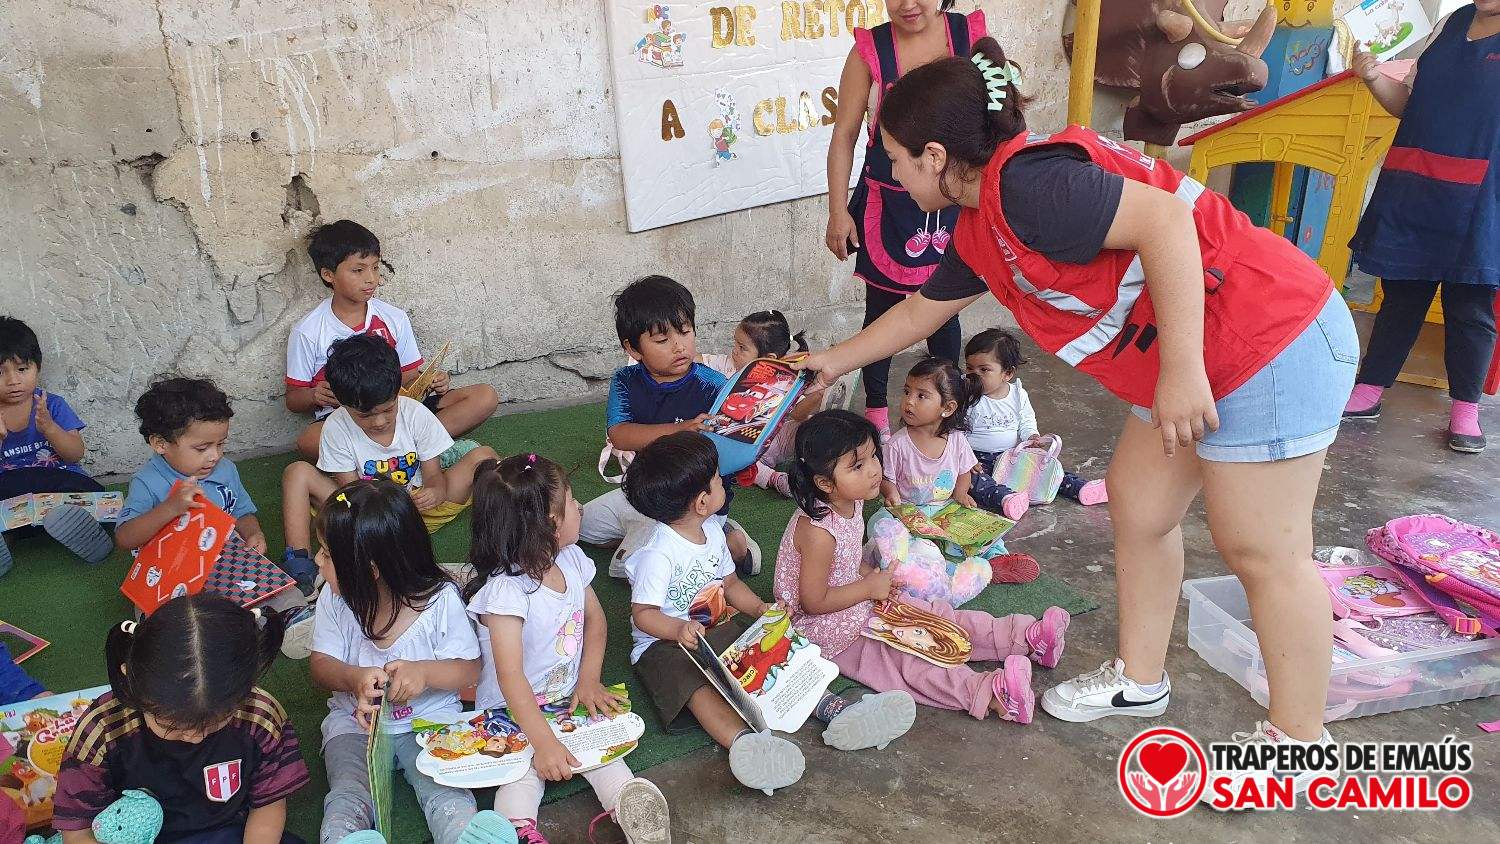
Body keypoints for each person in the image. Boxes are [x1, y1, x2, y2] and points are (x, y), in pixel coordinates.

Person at [797, 36, 1359, 787]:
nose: (890, 171)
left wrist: (1183, 372)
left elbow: (1165, 223)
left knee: (1261, 549)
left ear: (934, 156)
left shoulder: (1027, 185)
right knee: (1139, 505)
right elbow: (914, 318)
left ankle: (1299, 742)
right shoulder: (978, 224)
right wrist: (826, 362)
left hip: (1270, 336)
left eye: (894, 157)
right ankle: (1140, 678)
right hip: (1197, 352)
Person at [621, 432, 893, 795]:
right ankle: (746, 746)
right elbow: (644, 615)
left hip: (716, 626)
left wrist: (759, 608)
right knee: (696, 686)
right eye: (719, 480)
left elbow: (730, 584)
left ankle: (836, 710)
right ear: (703, 501)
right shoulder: (659, 554)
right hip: (664, 646)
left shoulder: (713, 531)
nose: (723, 483)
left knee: (773, 654)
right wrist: (676, 629)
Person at [776, 409, 1068, 726]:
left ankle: (1026, 637)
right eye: (858, 466)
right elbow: (813, 602)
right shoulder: (817, 532)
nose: (875, 470)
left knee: (936, 617)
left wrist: (870, 578)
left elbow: (846, 561)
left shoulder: (853, 499)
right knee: (909, 659)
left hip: (858, 599)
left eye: (874, 457)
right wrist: (868, 587)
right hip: (828, 632)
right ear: (824, 483)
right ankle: (992, 694)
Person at [463, 454, 672, 844]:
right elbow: (510, 679)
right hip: (512, 710)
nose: (579, 507)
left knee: (604, 756)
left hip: (564, 699)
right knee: (521, 771)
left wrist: (589, 679)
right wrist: (543, 742)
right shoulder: (507, 593)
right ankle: (516, 830)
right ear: (551, 523)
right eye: (572, 502)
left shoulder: (573, 559)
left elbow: (596, 620)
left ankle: (634, 810)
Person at [307, 479, 514, 844]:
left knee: (446, 793)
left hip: (428, 720)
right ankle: (344, 838)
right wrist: (353, 678)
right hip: (356, 727)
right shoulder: (334, 599)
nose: (317, 561)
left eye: (325, 554)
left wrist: (424, 673)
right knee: (348, 793)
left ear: (368, 569)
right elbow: (320, 664)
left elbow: (469, 668)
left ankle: (464, 837)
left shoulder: (439, 600)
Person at [1342, 1, 1500, 454]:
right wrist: (1373, 78)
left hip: (1482, 195)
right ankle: (1370, 389)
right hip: (1416, 183)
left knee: (1470, 305)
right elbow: (1408, 108)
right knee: (1401, 296)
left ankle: (1465, 410)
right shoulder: (1450, 24)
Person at [826, 0, 987, 439]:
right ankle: (876, 411)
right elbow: (844, 135)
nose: (908, 4)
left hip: (954, 199)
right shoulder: (869, 52)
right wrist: (837, 210)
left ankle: (947, 414)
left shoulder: (970, 39)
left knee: (944, 309)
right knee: (881, 310)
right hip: (888, 204)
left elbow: (996, 123)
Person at [52, 594, 310, 842]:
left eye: (213, 724)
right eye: (170, 726)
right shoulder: (104, 727)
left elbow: (268, 807)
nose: (194, 737)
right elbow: (78, 831)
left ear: (242, 690)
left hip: (230, 831)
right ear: (130, 678)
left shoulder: (258, 715)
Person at [280, 334, 498, 593]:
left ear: (397, 392)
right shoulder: (335, 428)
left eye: (388, 409)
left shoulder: (416, 414)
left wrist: (435, 491)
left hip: (421, 510)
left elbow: (434, 477)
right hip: (369, 518)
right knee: (296, 473)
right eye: (366, 415)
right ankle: (300, 566)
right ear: (343, 403)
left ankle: (500, 541)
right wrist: (384, 514)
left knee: (484, 456)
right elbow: (353, 495)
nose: (380, 422)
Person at [583, 276, 759, 578]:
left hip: (695, 506)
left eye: (685, 331)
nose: (680, 346)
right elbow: (619, 434)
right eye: (662, 340)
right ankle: (665, 538)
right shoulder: (626, 380)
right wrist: (681, 431)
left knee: (636, 569)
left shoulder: (713, 385)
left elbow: (736, 445)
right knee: (581, 525)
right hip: (642, 491)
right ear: (634, 348)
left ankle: (725, 535)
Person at [285, 220, 498, 460]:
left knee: (484, 396)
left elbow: (408, 376)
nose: (371, 279)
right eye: (358, 270)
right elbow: (293, 399)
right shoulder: (308, 330)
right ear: (328, 274)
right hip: (350, 419)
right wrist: (314, 395)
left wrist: (431, 381)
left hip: (398, 409)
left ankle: (389, 456)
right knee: (309, 440)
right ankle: (416, 453)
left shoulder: (393, 317)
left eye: (375, 268)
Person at [868, 356, 1021, 596]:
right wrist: (891, 494)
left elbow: (964, 471)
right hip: (908, 511)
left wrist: (961, 492)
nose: (909, 401)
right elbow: (886, 479)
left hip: (944, 509)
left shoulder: (957, 440)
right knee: (879, 524)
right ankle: (916, 566)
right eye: (907, 392)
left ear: (948, 408)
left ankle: (996, 560)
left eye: (921, 396)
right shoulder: (897, 444)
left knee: (978, 526)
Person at [0, 315, 113, 573]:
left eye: (22, 369)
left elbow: (75, 454)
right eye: (0, 372)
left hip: (56, 481)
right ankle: (7, 539)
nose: (13, 380)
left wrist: (49, 427)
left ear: (37, 368)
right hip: (9, 491)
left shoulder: (52, 405)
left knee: (93, 498)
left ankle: (78, 528)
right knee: (8, 507)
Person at [963, 328, 1107, 507]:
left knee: (1043, 469)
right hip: (976, 458)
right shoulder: (965, 395)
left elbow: (1026, 420)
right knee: (975, 481)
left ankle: (1081, 488)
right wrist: (966, 458)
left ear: (1007, 373)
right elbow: (955, 431)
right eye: (969, 368)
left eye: (984, 370)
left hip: (1012, 454)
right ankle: (1006, 499)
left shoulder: (1017, 394)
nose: (973, 375)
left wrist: (1031, 436)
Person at [699, 309, 816, 498]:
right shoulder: (727, 364)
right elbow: (697, 360)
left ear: (768, 358)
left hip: (773, 441)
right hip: (737, 444)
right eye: (735, 344)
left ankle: (815, 469)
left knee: (809, 426)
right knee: (722, 455)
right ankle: (773, 479)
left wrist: (817, 392)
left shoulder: (785, 379)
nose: (734, 351)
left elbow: (799, 414)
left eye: (742, 348)